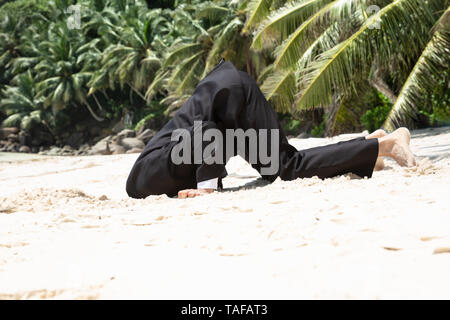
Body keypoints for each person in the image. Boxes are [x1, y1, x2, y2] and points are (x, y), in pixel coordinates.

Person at [126, 59, 416, 199]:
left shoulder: (148, 176)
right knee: (275, 171)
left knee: (287, 167)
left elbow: (205, 134)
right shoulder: (154, 170)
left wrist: (206, 189)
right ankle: (368, 146)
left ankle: (388, 145)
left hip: (230, 98)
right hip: (226, 100)